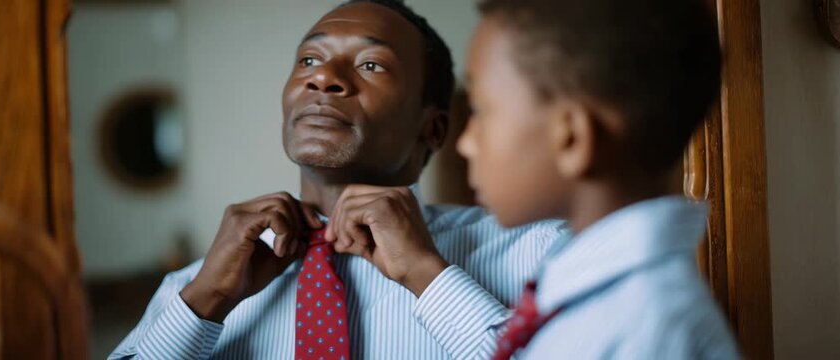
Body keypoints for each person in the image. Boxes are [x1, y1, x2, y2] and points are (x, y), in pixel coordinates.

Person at [110, 1, 569, 359]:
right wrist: (205, 301)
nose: (324, 77)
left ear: (432, 128)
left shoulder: (538, 254)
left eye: (371, 65)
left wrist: (430, 279)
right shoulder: (190, 289)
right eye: (309, 60)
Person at [455, 0, 739, 358]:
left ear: (572, 137)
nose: (465, 143)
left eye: (480, 111)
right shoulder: (593, 299)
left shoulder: (647, 329)